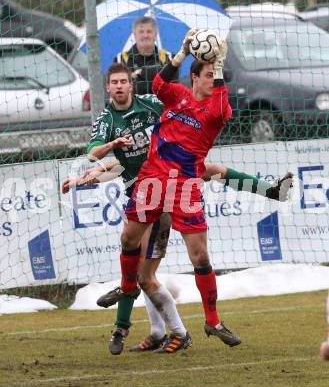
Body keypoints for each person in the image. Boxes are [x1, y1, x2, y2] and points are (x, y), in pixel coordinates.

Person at [87, 31, 294, 354]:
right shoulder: (175, 96)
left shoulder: (216, 108)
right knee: (130, 243)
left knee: (200, 256)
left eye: (216, 75)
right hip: (152, 179)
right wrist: (182, 52)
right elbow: (158, 84)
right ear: (194, 78)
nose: (213, 79)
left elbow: (223, 107)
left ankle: (210, 321)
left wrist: (221, 65)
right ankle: (128, 306)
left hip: (183, 186)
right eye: (208, 74)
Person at [115, 16, 178, 95]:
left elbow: (173, 88)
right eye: (141, 32)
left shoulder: (169, 57)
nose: (145, 35)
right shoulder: (121, 59)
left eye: (149, 31)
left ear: (155, 34)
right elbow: (119, 89)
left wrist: (139, 73)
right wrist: (157, 72)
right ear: (134, 34)